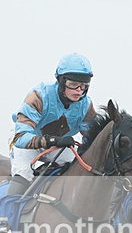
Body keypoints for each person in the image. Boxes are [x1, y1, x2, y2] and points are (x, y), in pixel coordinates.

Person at [8, 52, 97, 196]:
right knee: (23, 172)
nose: (79, 90)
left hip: (58, 144)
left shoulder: (86, 105)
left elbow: (90, 137)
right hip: (27, 140)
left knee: (77, 170)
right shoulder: (39, 96)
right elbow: (20, 138)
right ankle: (6, 209)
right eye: (73, 84)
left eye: (83, 85)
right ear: (61, 81)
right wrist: (52, 140)